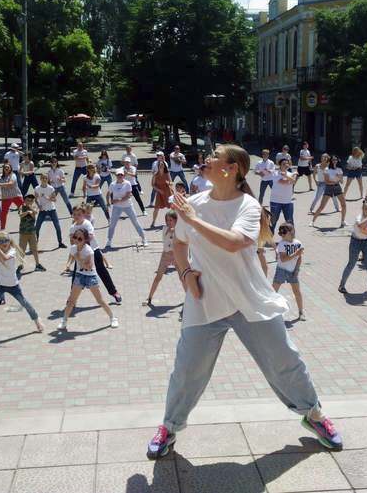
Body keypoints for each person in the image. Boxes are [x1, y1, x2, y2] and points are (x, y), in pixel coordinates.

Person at [146, 144, 343, 460]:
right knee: (188, 370)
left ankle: (315, 415)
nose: (206, 160)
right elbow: (180, 244)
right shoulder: (192, 204)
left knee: (284, 360)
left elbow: (234, 243)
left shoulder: (248, 207)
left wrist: (193, 219)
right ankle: (169, 427)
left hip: (250, 299)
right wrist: (185, 275)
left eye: (214, 156)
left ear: (231, 168)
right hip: (205, 300)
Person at [0, 232, 43, 342]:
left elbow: (5, 258)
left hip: (13, 285)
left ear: (10, 241)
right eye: (1, 241)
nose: (4, 243)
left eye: (6, 241)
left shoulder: (12, 251)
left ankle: (37, 321)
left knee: (24, 303)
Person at [59, 228, 119, 331]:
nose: (77, 240)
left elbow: (89, 267)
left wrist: (78, 258)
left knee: (100, 300)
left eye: (80, 238)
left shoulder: (89, 251)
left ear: (85, 239)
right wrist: (68, 265)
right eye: (75, 237)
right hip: (79, 275)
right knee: (71, 301)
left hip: (90, 276)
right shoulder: (73, 248)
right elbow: (72, 257)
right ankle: (64, 321)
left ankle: (113, 318)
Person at [70, 203, 122, 303]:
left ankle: (114, 292)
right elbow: (72, 241)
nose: (76, 216)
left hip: (93, 250)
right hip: (80, 253)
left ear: (84, 214)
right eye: (74, 214)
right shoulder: (73, 227)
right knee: (76, 275)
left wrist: (79, 240)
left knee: (102, 271)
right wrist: (76, 248)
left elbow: (90, 237)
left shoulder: (87, 224)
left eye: (79, 214)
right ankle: (71, 298)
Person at [338, 199, 367, 294]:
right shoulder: (359, 217)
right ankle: (342, 285)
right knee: (351, 263)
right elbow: (361, 225)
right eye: (366, 209)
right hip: (355, 241)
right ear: (362, 209)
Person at [106, 169, 148, 248]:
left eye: (121, 175)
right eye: (118, 175)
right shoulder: (112, 184)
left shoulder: (127, 183)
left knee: (135, 222)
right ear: (116, 175)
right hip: (116, 207)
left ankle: (144, 238)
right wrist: (108, 202)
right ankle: (109, 240)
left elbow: (128, 195)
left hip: (128, 206)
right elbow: (108, 193)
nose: (120, 176)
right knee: (112, 224)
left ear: (124, 175)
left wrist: (117, 200)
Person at [273, 223, 304, 321]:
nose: (281, 235)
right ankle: (270, 312)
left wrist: (297, 269)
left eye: (284, 232)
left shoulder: (298, 243)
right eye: (280, 233)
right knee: (273, 292)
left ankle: (301, 312)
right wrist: (296, 253)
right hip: (281, 270)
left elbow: (299, 258)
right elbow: (283, 259)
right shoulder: (282, 244)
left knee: (297, 292)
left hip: (292, 271)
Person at [145, 211, 178, 306]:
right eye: (167, 220)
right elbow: (168, 233)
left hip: (176, 256)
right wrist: (173, 229)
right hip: (166, 256)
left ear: (176, 220)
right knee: (158, 277)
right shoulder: (165, 228)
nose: (168, 222)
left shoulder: (179, 230)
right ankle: (149, 297)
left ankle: (189, 300)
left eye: (171, 220)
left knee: (183, 278)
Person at [311, 156, 347, 228]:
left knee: (344, 205)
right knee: (322, 206)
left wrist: (338, 178)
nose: (334, 161)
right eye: (333, 160)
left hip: (337, 188)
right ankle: (312, 221)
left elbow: (342, 181)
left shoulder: (339, 169)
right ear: (330, 161)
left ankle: (342, 221)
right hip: (329, 188)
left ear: (337, 161)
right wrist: (336, 179)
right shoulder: (327, 169)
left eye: (335, 159)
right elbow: (327, 182)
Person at [34, 173, 67, 249]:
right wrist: (39, 206)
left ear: (47, 179)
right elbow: (35, 199)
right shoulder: (37, 188)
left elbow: (54, 199)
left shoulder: (51, 188)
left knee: (57, 226)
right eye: (43, 178)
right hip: (42, 211)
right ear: (40, 179)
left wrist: (46, 197)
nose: (44, 180)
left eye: (46, 178)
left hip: (52, 210)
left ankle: (60, 242)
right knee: (37, 227)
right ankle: (35, 243)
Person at [17, 194, 46, 272]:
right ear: (24, 200)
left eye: (31, 200)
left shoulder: (34, 207)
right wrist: (27, 212)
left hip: (32, 232)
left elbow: (34, 215)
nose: (29, 201)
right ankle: (20, 265)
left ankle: (37, 264)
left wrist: (31, 209)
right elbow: (20, 215)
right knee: (22, 249)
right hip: (23, 232)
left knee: (34, 249)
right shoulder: (21, 207)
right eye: (28, 200)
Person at [269, 158, 297, 233]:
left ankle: (291, 238)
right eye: (283, 164)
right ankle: (269, 237)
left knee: (289, 221)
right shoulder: (275, 173)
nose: (286, 165)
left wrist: (288, 176)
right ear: (280, 165)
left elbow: (294, 181)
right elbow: (283, 182)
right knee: (273, 220)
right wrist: (290, 178)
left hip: (287, 201)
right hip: (275, 201)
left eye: (287, 163)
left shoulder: (290, 174)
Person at [0, 163, 24, 230]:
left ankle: (25, 226)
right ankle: (2, 229)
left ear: (10, 168)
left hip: (16, 195)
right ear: (3, 169)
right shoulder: (0, 176)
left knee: (24, 209)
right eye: (5, 167)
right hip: (6, 197)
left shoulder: (13, 175)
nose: (6, 168)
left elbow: (10, 184)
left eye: (8, 167)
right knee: (3, 214)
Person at [151, 162, 173, 228]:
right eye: (160, 165)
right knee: (156, 208)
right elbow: (153, 185)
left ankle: (174, 221)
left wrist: (168, 183)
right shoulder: (155, 174)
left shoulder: (167, 173)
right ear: (158, 166)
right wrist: (159, 190)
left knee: (172, 207)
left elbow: (171, 182)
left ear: (164, 166)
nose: (161, 166)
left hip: (168, 192)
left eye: (162, 165)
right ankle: (153, 222)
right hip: (160, 193)